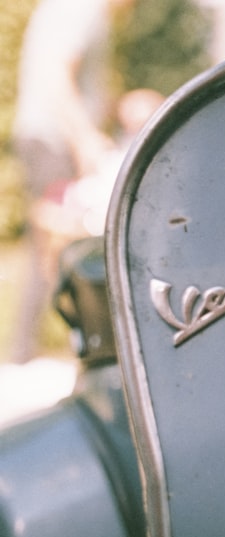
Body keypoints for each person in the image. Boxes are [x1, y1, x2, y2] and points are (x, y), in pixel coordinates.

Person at [9, 0, 133, 363]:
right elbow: (57, 76)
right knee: (64, 242)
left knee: (49, 246)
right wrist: (84, 139)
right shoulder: (80, 8)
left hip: (48, 136)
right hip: (53, 139)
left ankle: (25, 354)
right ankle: (83, 350)